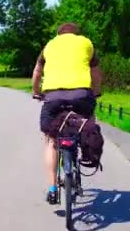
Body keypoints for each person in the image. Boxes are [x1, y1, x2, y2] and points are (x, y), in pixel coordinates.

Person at [31, 22, 103, 205]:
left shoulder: (50, 45)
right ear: (76, 34)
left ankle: (52, 188)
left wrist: (35, 91)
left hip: (53, 97)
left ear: (59, 34)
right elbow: (96, 72)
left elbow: (37, 72)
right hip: (81, 95)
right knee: (88, 121)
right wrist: (96, 91)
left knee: (51, 140)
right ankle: (87, 142)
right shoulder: (86, 43)